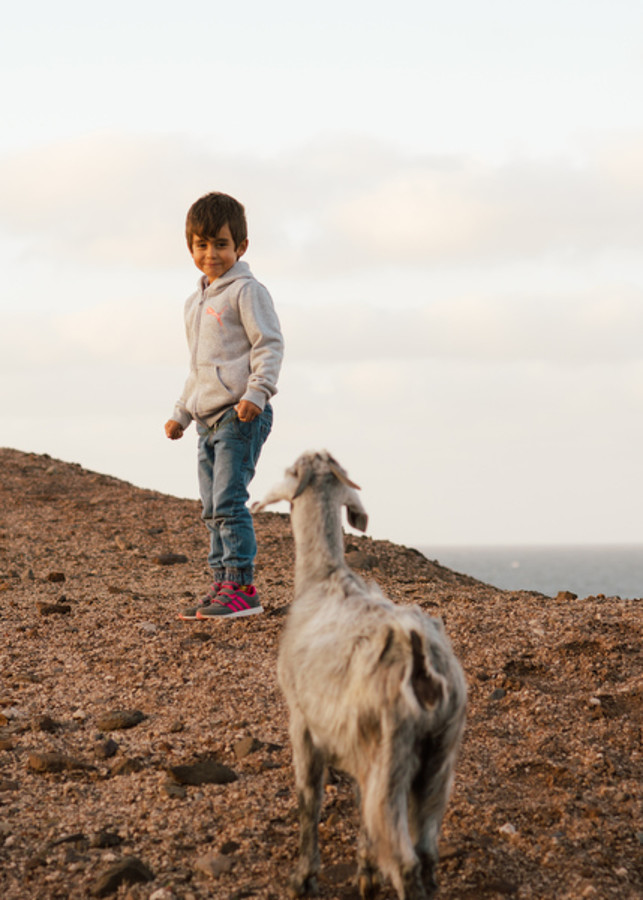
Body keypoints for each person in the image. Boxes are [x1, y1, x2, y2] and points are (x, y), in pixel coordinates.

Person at [165, 192, 284, 621]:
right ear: (190, 247)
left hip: (240, 413)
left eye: (220, 244)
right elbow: (198, 368)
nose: (210, 253)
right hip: (206, 420)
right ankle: (221, 583)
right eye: (201, 244)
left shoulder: (247, 292)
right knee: (210, 506)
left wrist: (257, 393)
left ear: (241, 247)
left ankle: (242, 588)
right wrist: (181, 411)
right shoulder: (194, 303)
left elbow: (268, 344)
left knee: (230, 501)